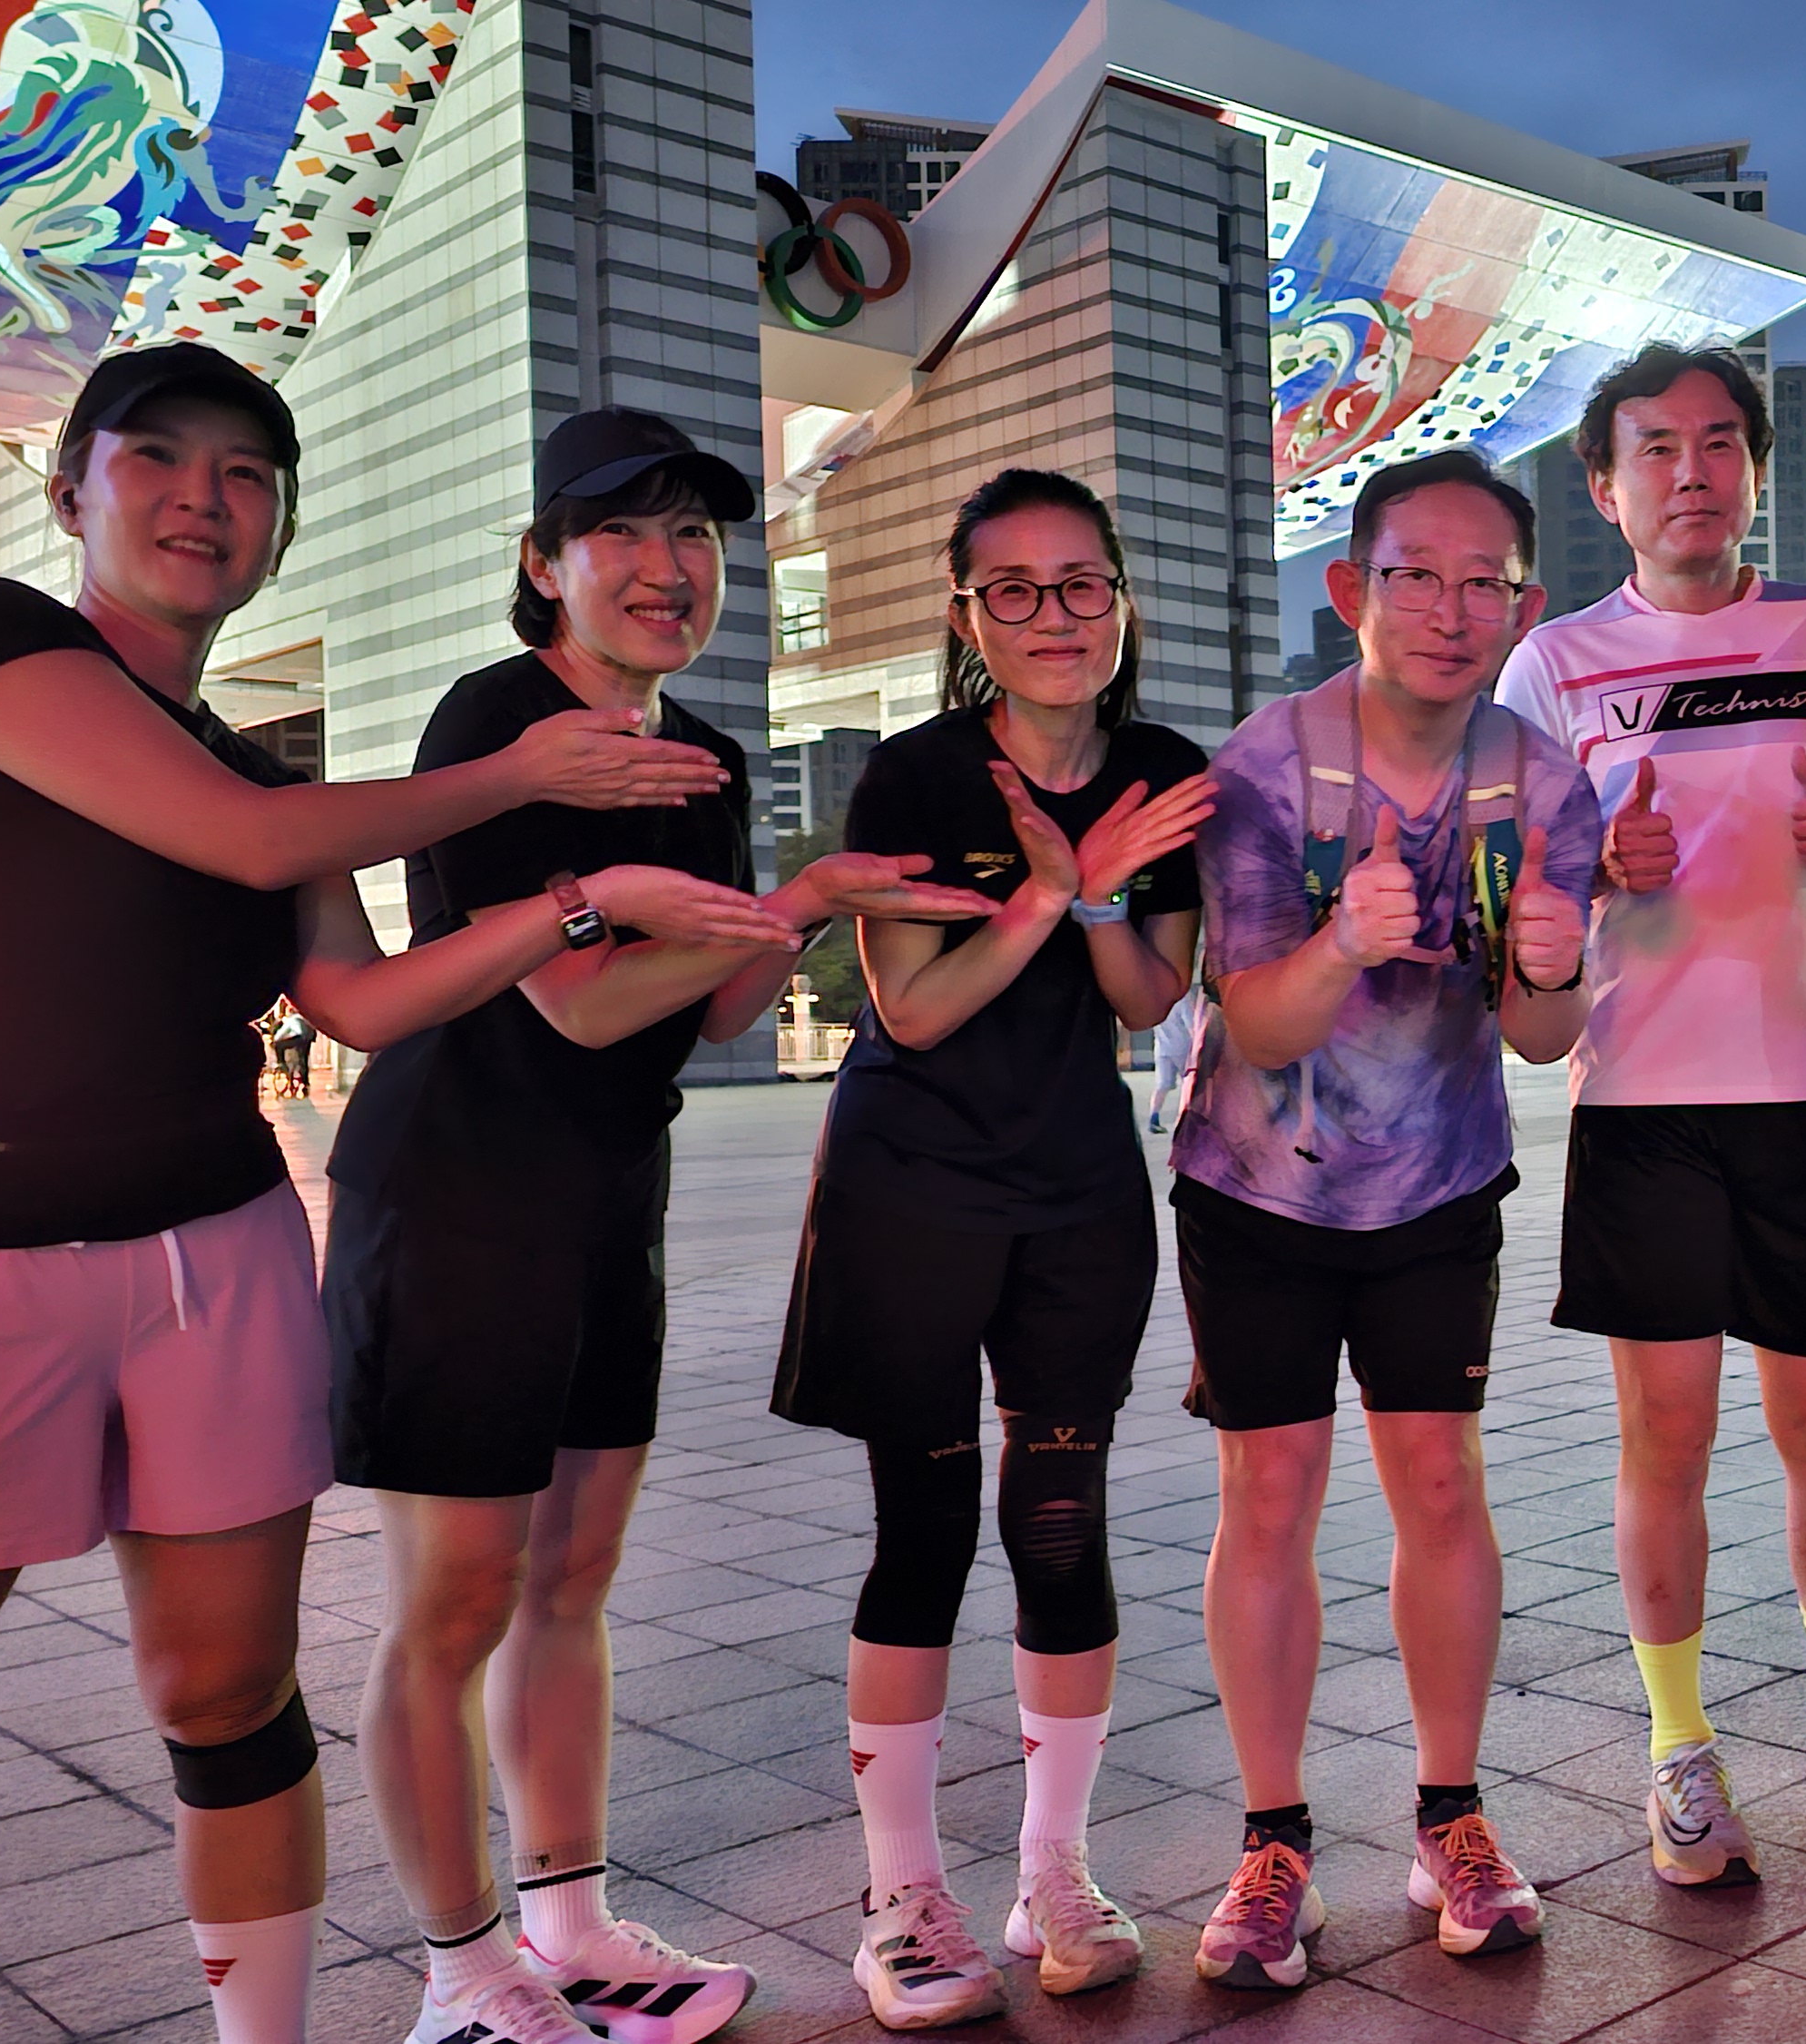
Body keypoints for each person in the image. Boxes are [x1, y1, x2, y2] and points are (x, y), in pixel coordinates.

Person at [0, 346, 769, 2044]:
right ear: (67, 488)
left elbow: (363, 1004)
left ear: (283, 525)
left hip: (217, 1244)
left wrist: (579, 902)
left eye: (246, 475)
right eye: (157, 459)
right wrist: (533, 788)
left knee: (233, 1692)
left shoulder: (264, 767)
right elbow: (234, 842)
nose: (203, 498)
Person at [326, 408, 990, 2044]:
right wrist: (745, 914)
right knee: (457, 1598)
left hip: (608, 1200)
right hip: (459, 1198)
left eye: (695, 534)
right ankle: (461, 1972)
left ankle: (569, 1924)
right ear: (545, 564)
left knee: (574, 1574)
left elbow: (714, 1011)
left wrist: (803, 907)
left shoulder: (707, 753)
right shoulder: (499, 722)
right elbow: (576, 1003)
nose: (666, 566)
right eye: (621, 532)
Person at [771, 468, 1214, 2028]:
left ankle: (1053, 1872)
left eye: (1081, 582)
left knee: (1063, 1524)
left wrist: (1097, 905)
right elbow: (912, 1008)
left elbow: (1152, 994)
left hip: (1077, 1186)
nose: (1053, 615)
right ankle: (900, 1899)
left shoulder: (1165, 772)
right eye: (1013, 589)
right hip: (911, 1184)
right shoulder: (914, 778)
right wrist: (1052, 891)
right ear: (966, 617)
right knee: (925, 1529)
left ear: (1120, 600)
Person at [1492, 344, 1806, 1890]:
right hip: (1641, 1105)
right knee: (1663, 1438)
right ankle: (1679, 1748)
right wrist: (1586, 867)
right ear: (1605, 487)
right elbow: (1515, 894)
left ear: (1754, 468)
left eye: (1721, 443)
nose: (1694, 472)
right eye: (1658, 449)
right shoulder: (1552, 667)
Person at [1172, 450, 1599, 1989]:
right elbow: (1259, 1022)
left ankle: (1449, 1816)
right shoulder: (1264, 768)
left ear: (1524, 610)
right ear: (1354, 587)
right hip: (1256, 1185)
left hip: (1437, 1181)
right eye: (1417, 574)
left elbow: (1543, 1038)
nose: (1450, 609)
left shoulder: (1545, 783)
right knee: (1270, 1493)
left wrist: (1553, 962)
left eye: (1486, 583)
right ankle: (1273, 1839)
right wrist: (1348, 939)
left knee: (1438, 1479)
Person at [1149, 978, 1202, 1134]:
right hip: (1182, 1048)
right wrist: (1199, 1045)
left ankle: (1153, 1118)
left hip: (1162, 1048)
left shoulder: (1155, 1001)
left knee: (1162, 1085)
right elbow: (1191, 1025)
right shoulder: (1181, 999)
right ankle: (1184, 1120)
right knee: (1188, 1083)